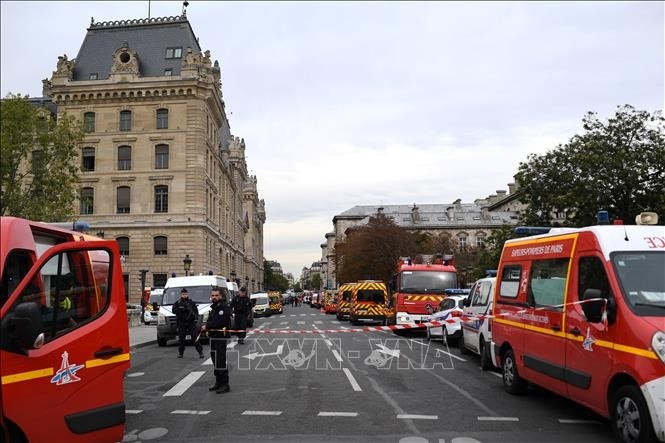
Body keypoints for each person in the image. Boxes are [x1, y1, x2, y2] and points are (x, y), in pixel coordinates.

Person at [201, 286, 232, 393]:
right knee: (215, 361)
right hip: (214, 337)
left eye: (216, 295)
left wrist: (207, 326)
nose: (214, 297)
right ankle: (218, 382)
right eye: (213, 295)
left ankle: (225, 384)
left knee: (220, 361)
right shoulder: (215, 307)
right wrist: (208, 326)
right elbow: (211, 320)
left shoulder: (223, 308)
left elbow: (217, 322)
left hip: (220, 337)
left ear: (221, 296)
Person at [172, 288, 204, 358]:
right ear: (181, 295)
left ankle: (200, 352)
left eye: (185, 294)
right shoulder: (177, 303)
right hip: (181, 322)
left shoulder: (191, 303)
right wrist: (181, 309)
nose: (184, 295)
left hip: (190, 323)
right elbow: (174, 311)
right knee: (181, 339)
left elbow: (196, 313)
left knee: (195, 337)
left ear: (187, 294)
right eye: (183, 294)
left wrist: (191, 313)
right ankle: (181, 353)